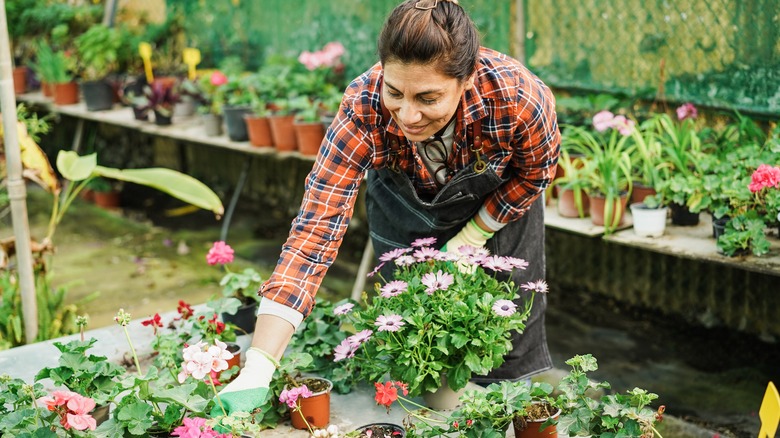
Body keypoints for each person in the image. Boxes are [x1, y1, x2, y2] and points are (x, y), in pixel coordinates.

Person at [213, 0, 560, 415]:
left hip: (497, 213)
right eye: (395, 92)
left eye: (428, 97)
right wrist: (259, 364)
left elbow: (535, 175)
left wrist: (476, 233)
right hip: (405, 211)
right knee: (418, 344)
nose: (408, 116)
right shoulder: (362, 106)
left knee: (501, 348)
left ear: (466, 79)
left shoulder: (517, 98)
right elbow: (315, 229)